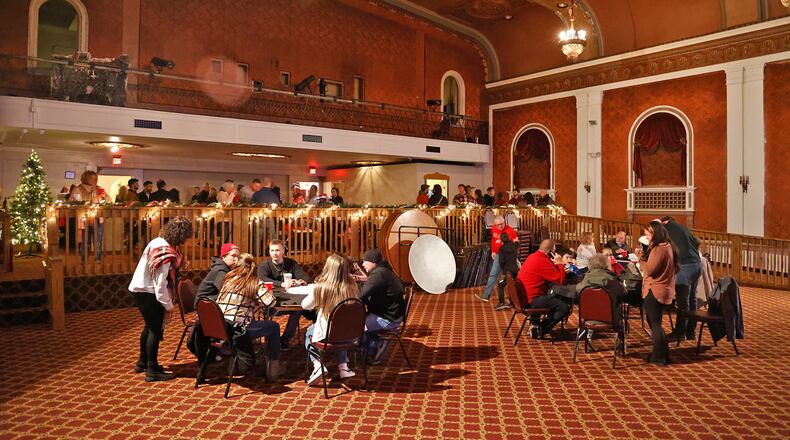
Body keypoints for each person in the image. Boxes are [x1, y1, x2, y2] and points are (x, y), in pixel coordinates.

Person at [128, 216, 192, 382]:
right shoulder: (164, 251)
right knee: (155, 330)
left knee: (149, 326)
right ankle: (152, 369)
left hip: (140, 288)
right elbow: (160, 283)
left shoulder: (158, 241)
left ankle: (142, 362)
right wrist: (168, 305)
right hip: (148, 292)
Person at [215, 253, 283, 380]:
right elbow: (270, 302)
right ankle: (273, 367)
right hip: (238, 330)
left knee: (250, 318)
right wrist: (267, 292)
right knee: (274, 327)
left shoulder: (228, 279)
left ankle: (239, 359)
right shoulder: (254, 282)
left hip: (221, 328)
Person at [302, 253, 359, 386]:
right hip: (350, 334)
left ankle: (318, 365)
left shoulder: (322, 287)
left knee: (309, 333)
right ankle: (343, 367)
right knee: (340, 327)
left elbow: (305, 305)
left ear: (327, 268)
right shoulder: (352, 286)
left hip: (328, 336)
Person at [638, 220, 679, 366]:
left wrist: (641, 259)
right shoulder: (668, 246)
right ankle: (663, 354)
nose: (646, 237)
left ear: (655, 234)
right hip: (664, 289)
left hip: (655, 290)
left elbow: (650, 270)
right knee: (655, 323)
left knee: (655, 324)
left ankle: (658, 356)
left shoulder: (659, 249)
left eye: (648, 234)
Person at [257, 239, 310, 351]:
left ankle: (285, 339)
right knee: (269, 313)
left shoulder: (291, 263)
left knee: (298, 310)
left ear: (283, 251)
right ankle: (270, 341)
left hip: (290, 301)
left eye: (277, 250)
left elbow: (305, 277)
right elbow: (263, 278)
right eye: (272, 250)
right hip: (271, 303)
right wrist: (281, 284)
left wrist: (299, 282)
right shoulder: (264, 265)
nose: (274, 253)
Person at [357, 249, 405, 365]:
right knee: (359, 320)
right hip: (392, 314)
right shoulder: (383, 271)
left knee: (354, 327)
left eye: (365, 261)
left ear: (373, 262)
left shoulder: (378, 274)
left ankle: (376, 346)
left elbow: (361, 296)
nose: (363, 264)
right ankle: (373, 347)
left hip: (388, 319)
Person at [517, 239, 569, 338]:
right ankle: (541, 329)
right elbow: (560, 280)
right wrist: (559, 263)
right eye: (554, 252)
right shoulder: (542, 261)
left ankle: (534, 324)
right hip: (532, 300)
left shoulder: (532, 256)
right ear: (550, 252)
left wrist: (557, 265)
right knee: (564, 307)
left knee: (552, 295)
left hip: (524, 297)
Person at [662, 216, 702, 341]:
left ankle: (680, 333)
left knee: (682, 302)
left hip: (684, 267)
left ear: (664, 222)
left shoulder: (665, 228)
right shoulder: (683, 228)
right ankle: (691, 332)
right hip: (697, 265)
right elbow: (696, 242)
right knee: (692, 298)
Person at [70, 170, 112, 259]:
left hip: (97, 218)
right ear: (85, 178)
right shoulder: (78, 189)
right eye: (91, 178)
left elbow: (109, 201)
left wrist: (103, 196)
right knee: (85, 240)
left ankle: (98, 259)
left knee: (98, 240)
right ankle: (84, 259)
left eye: (95, 179)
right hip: (83, 218)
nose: (93, 180)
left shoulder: (99, 189)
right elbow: (72, 202)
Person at [476, 215, 519, 302]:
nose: (500, 226)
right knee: (494, 274)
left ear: (504, 222)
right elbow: (493, 240)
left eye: (501, 224)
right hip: (498, 254)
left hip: (507, 256)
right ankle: (486, 296)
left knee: (511, 277)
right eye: (498, 224)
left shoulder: (511, 231)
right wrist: (493, 251)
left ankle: (516, 297)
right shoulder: (494, 228)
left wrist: (513, 256)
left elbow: (517, 244)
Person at [575, 253, 628, 319]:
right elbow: (623, 292)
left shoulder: (585, 280)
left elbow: (578, 290)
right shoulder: (611, 279)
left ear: (590, 265)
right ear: (607, 265)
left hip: (588, 317)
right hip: (610, 318)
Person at [494, 232, 519, 311]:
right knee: (513, 286)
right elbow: (517, 245)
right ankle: (513, 302)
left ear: (501, 240)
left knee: (500, 285)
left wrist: (503, 269)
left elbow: (501, 261)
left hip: (507, 271)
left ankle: (501, 302)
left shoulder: (502, 248)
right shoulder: (514, 246)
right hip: (515, 269)